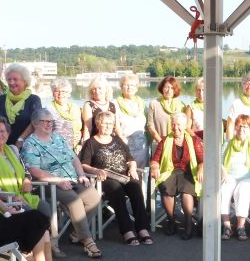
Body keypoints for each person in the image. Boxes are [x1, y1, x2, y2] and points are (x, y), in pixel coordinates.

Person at [21, 109, 102, 259]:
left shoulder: (58, 138)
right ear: (34, 123)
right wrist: (58, 181)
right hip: (48, 185)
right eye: (44, 121)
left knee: (94, 197)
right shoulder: (30, 144)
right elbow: (34, 170)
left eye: (51, 121)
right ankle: (88, 241)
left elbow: (74, 159)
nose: (48, 124)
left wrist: (82, 175)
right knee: (74, 200)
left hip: (71, 178)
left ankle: (76, 233)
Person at [0, 117, 62, 252]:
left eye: (2, 131)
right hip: (3, 201)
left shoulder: (13, 150)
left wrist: (26, 179)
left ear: (8, 134)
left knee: (44, 206)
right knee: (33, 216)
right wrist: (10, 197)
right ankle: (34, 249)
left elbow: (24, 170)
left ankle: (47, 245)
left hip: (21, 195)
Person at [80, 111, 152, 246]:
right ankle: (127, 231)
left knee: (136, 188)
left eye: (111, 124)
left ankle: (142, 228)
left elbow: (130, 159)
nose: (108, 126)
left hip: (123, 175)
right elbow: (83, 164)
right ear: (98, 124)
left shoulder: (118, 140)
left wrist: (132, 167)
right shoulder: (90, 143)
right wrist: (96, 170)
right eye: (105, 123)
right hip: (104, 179)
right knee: (116, 190)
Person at [149, 112, 204, 240]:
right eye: (173, 125)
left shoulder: (194, 140)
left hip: (189, 171)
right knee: (167, 188)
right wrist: (155, 167)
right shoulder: (164, 140)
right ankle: (171, 220)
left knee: (187, 193)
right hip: (170, 171)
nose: (175, 128)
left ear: (184, 126)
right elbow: (155, 159)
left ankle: (188, 223)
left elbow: (202, 160)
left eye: (178, 125)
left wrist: (201, 169)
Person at [220, 114, 250, 240]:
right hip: (230, 176)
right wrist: (223, 171)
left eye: (245, 126)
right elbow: (219, 162)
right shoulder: (227, 143)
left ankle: (240, 226)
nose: (242, 129)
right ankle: (227, 226)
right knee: (223, 189)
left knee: (241, 190)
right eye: (239, 126)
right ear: (235, 127)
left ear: (249, 128)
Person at [0, 63, 42, 147]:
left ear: (25, 81)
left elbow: (36, 122)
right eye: (9, 79)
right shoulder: (0, 100)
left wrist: (20, 139)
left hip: (27, 146)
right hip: (3, 146)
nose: (11, 82)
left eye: (15, 79)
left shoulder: (34, 100)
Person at [115, 74, 148, 167]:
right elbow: (115, 124)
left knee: (142, 175)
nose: (129, 87)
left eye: (132, 85)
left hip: (141, 145)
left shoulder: (142, 103)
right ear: (121, 87)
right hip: (124, 144)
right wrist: (121, 137)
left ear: (137, 88)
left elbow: (149, 123)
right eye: (126, 85)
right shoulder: (115, 103)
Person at [46, 78, 82, 152]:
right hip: (56, 149)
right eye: (57, 91)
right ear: (53, 93)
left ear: (69, 93)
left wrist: (80, 141)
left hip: (76, 148)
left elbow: (80, 129)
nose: (60, 94)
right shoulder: (48, 109)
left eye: (63, 91)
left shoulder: (75, 108)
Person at [147, 76, 183, 144]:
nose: (169, 90)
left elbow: (183, 126)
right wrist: (161, 142)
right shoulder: (154, 104)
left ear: (175, 90)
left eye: (172, 88)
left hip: (176, 144)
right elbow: (150, 126)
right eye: (166, 87)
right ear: (162, 88)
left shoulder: (180, 105)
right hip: (158, 143)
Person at [227, 72, 250, 140]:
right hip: (238, 144)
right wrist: (228, 143)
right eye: (246, 84)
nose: (249, 87)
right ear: (242, 85)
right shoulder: (236, 104)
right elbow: (230, 125)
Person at [81, 76, 116, 142]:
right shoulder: (88, 105)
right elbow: (88, 127)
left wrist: (122, 139)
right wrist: (85, 145)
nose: (97, 91)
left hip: (111, 140)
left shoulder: (112, 105)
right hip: (95, 142)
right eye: (94, 89)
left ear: (106, 89)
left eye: (100, 88)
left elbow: (116, 126)